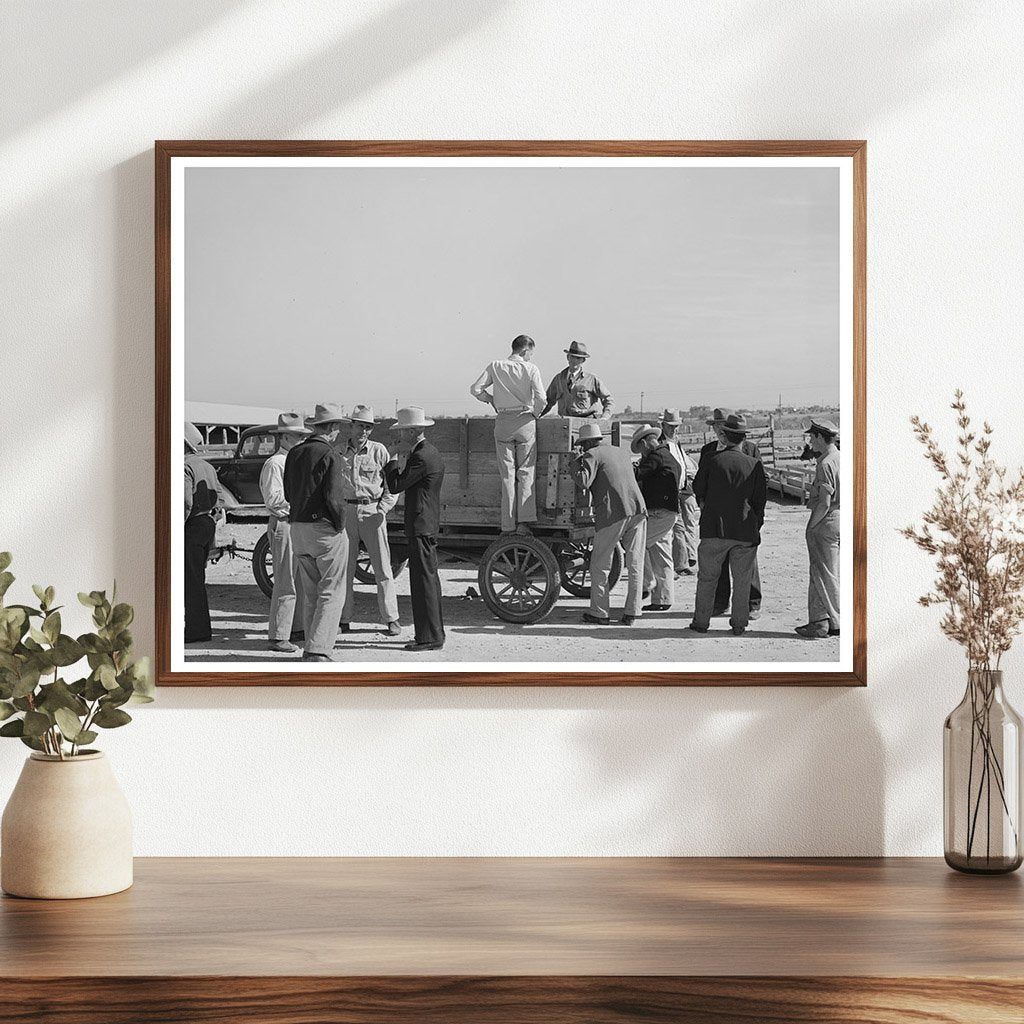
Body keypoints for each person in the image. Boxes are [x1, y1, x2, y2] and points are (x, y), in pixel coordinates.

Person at [689, 412, 767, 636]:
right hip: (744, 530)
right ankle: (739, 623)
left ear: (725, 435)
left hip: (714, 529)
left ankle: (701, 622)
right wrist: (755, 526)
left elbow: (698, 489)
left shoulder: (710, 460)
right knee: (742, 580)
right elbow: (759, 501)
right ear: (744, 438)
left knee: (707, 578)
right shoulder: (754, 464)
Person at [283, 403, 348, 663]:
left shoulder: (295, 452)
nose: (338, 432)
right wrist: (340, 525)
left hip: (298, 528)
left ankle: (311, 645)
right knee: (331, 591)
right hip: (324, 528)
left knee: (310, 592)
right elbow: (334, 498)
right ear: (331, 428)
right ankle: (318, 649)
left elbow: (288, 493)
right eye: (337, 427)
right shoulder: (330, 454)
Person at [470, 334, 546, 535]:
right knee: (526, 472)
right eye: (530, 353)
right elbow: (541, 398)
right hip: (525, 421)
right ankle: (524, 523)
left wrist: (491, 400)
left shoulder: (495, 366)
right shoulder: (531, 368)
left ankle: (508, 525)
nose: (530, 357)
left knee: (507, 476)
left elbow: (475, 389)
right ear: (525, 350)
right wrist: (535, 414)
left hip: (503, 422)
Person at [384, 407, 446, 652]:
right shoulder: (430, 452)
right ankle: (433, 634)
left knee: (423, 583)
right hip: (425, 524)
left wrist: (391, 458)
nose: (399, 436)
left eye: (402, 431)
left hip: (420, 525)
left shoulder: (420, 456)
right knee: (428, 581)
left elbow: (396, 485)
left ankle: (429, 638)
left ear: (411, 431)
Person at [573, 422, 647, 626]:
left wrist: (575, 462)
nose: (583, 448)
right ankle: (633, 612)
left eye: (583, 445)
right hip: (637, 509)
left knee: (600, 565)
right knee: (635, 563)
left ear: (587, 443)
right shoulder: (621, 451)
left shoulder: (592, 455)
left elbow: (584, 481)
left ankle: (599, 613)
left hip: (612, 512)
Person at [337, 405, 401, 638]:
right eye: (360, 426)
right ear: (351, 426)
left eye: (368, 427)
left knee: (383, 567)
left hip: (372, 510)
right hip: (346, 512)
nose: (364, 431)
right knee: (344, 569)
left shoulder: (379, 451)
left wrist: (382, 509)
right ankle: (343, 619)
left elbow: (392, 485)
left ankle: (391, 618)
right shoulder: (338, 452)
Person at [259, 412, 309, 653]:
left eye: (302, 436)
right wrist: (303, 504)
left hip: (296, 522)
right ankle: (278, 635)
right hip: (284, 521)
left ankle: (295, 628)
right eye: (297, 436)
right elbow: (274, 499)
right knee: (285, 580)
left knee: (299, 578)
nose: (301, 440)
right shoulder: (276, 463)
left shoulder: (292, 461)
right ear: (284, 437)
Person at [796, 420, 841, 639]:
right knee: (824, 573)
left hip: (826, 520)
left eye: (813, 437)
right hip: (839, 518)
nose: (811, 442)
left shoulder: (825, 464)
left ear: (821, 437)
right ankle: (820, 621)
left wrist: (811, 526)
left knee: (825, 574)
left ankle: (837, 621)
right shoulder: (839, 458)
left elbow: (824, 502)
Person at [632, 425, 680, 612]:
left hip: (659, 512)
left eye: (641, 449)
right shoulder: (666, 455)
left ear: (645, 443)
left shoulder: (655, 457)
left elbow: (637, 474)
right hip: (668, 510)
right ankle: (663, 598)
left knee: (638, 544)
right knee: (662, 555)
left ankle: (647, 584)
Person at [184, 421, 222, 644]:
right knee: (197, 578)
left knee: (191, 581)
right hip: (207, 523)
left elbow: (186, 502)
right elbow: (219, 497)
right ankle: (200, 628)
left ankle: (196, 630)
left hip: (192, 525)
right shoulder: (206, 466)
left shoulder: (184, 466)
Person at [658, 409, 699, 575]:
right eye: (671, 426)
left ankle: (686, 559)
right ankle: (680, 563)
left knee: (686, 525)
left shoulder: (676, 442)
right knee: (677, 527)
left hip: (683, 487)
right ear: (663, 426)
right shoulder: (661, 444)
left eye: (676, 426)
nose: (674, 429)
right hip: (672, 490)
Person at [540, 340, 613, 418]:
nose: (574, 361)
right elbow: (548, 402)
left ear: (583, 360)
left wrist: (604, 417)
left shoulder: (592, 380)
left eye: (578, 358)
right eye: (572, 357)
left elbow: (608, 400)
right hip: (564, 422)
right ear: (568, 357)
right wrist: (536, 416)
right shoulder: (558, 379)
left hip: (586, 422)